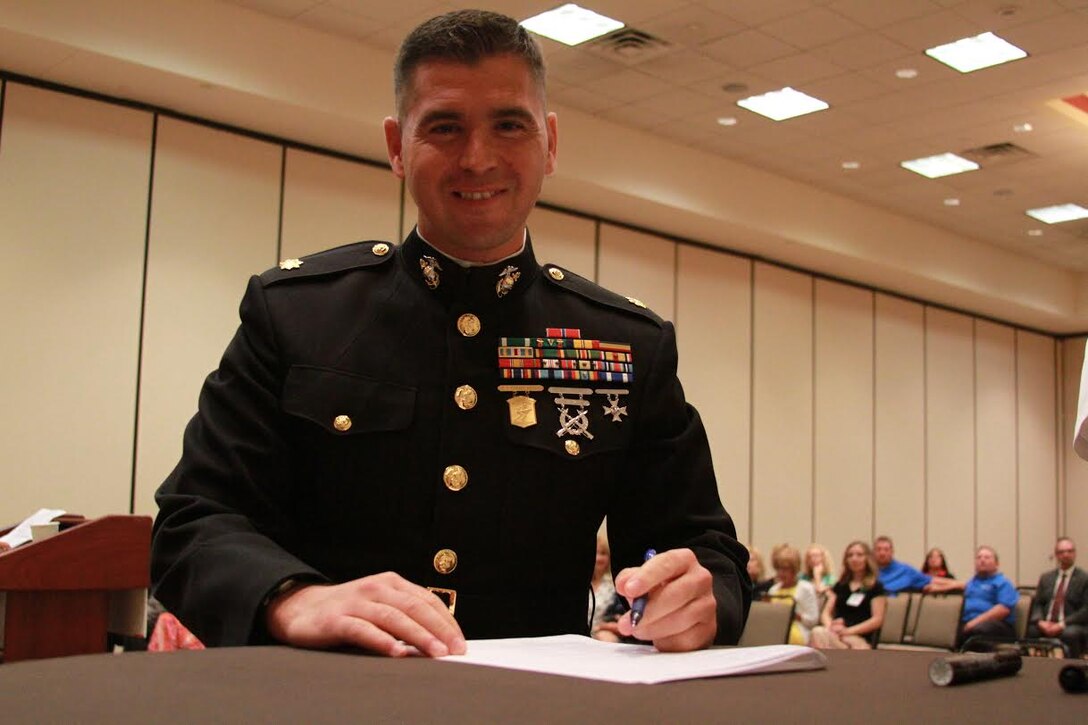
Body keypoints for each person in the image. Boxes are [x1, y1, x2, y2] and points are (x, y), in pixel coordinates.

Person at [149, 9, 749, 658]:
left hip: (540, 705)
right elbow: (193, 521)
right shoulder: (294, 314)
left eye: (508, 124)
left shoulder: (626, 346)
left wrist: (700, 596)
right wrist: (294, 596)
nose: (477, 157)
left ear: (549, 142)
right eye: (444, 126)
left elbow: (704, 549)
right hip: (328, 696)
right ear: (397, 146)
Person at [810, 541, 886, 650]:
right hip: (837, 633)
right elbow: (826, 613)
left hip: (859, 636)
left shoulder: (875, 587)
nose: (854, 559)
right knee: (817, 632)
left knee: (854, 645)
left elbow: (877, 619)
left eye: (859, 555)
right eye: (850, 555)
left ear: (867, 559)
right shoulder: (840, 585)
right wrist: (831, 627)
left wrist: (849, 631)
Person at [1026, 537, 1087, 657]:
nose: (1066, 555)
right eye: (1062, 552)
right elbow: (1038, 603)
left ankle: (1072, 667)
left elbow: (1085, 610)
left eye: (1069, 551)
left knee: (1070, 634)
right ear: (1056, 555)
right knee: (1031, 630)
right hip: (1047, 623)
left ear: (1075, 554)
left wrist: (1061, 624)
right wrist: (1040, 621)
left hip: (1071, 624)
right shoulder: (1046, 577)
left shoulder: (1084, 579)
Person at [953, 546, 1019, 648]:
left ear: (996, 564)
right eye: (979, 558)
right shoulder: (972, 583)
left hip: (996, 625)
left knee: (977, 630)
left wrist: (973, 623)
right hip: (968, 622)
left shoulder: (1003, 583)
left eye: (987, 557)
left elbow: (1003, 609)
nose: (982, 560)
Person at [766, 545, 819, 645]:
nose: (781, 573)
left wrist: (794, 615)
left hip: (797, 634)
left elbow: (813, 620)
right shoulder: (773, 590)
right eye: (778, 569)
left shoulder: (805, 588)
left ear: (794, 569)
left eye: (785, 569)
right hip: (774, 631)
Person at [873, 536, 957, 595]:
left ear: (892, 551)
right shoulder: (867, 571)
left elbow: (931, 580)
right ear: (873, 552)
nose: (882, 553)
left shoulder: (905, 571)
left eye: (886, 549)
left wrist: (960, 584)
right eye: (878, 549)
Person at [589, 533, 627, 642]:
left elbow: (619, 617)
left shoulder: (617, 584)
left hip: (605, 632)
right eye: (595, 553)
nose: (598, 558)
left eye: (603, 553)